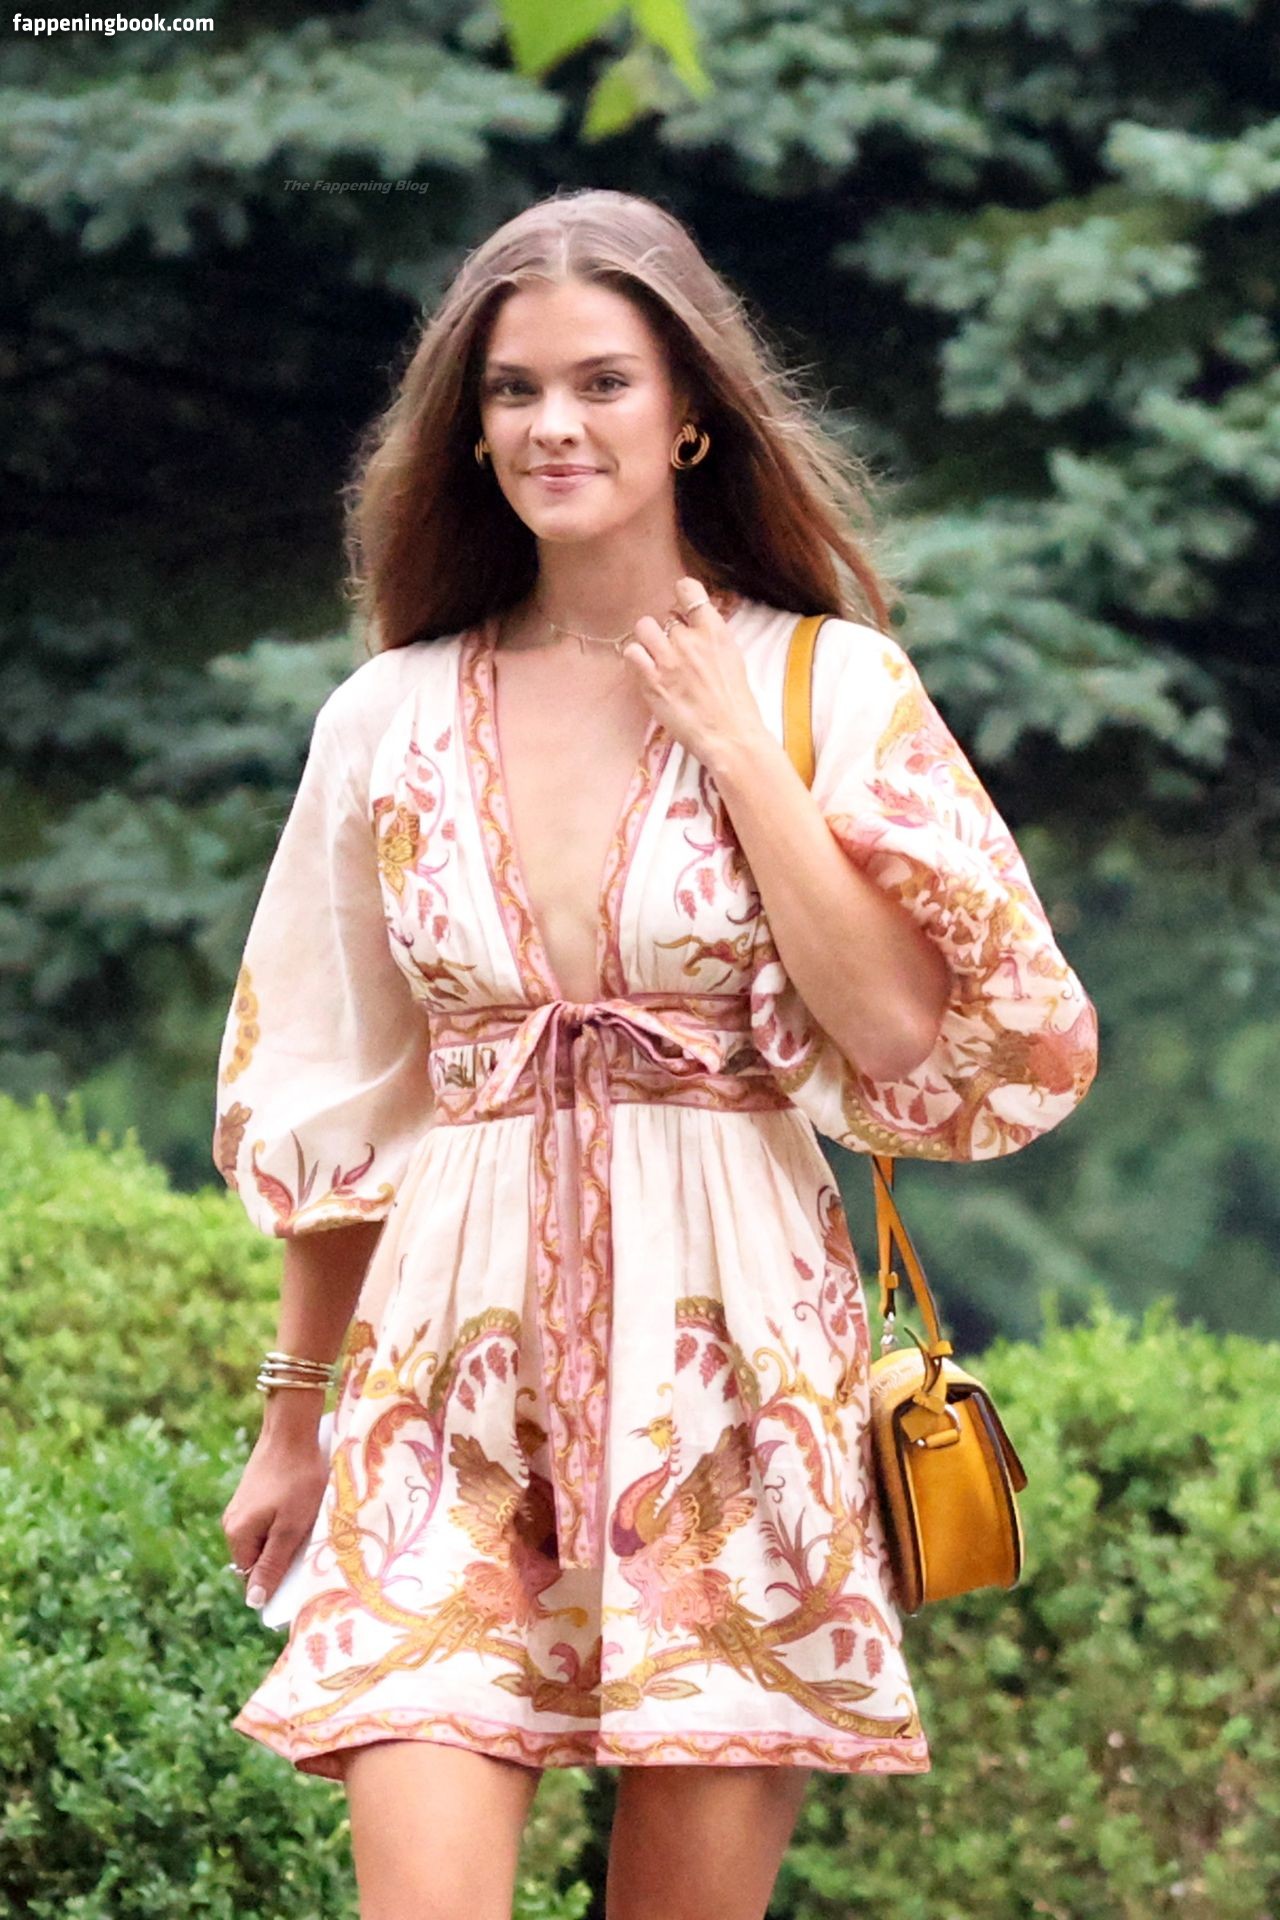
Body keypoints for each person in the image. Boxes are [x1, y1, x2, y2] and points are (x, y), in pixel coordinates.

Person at [215, 186, 1099, 1920]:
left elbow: (899, 1033)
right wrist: (293, 1417)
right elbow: (336, 1090)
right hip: (447, 1382)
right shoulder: (386, 716)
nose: (554, 424)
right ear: (472, 431)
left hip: (733, 1370)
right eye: (514, 390)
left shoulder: (831, 686)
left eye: (601, 382)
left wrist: (741, 753)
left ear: (689, 410)